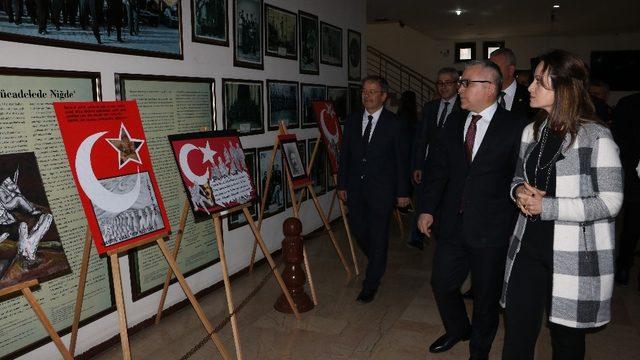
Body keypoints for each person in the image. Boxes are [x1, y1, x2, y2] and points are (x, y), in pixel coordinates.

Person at [501, 49, 623, 359]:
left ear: (564, 89)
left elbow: (610, 202)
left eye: (539, 82)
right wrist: (518, 194)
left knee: (566, 341)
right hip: (527, 246)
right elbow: (516, 178)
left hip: (572, 255)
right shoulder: (532, 130)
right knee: (517, 332)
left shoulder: (596, 137)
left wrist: (549, 206)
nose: (529, 87)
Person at [417, 60, 523, 358]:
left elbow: (520, 177)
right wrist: (427, 209)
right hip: (452, 223)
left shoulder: (515, 126)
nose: (459, 88)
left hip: (492, 229)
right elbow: (438, 169)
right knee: (441, 283)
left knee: (486, 299)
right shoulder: (453, 121)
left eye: (466, 83)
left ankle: (479, 351)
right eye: (460, 82)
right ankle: (457, 328)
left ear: (489, 88)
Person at [338, 75, 410, 304]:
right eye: (364, 91)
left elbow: (401, 160)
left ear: (384, 96)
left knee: (378, 235)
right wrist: (342, 184)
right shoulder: (352, 120)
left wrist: (402, 192)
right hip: (356, 189)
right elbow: (345, 155)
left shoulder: (395, 123)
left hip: (382, 190)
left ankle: (371, 283)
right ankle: (378, 260)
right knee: (359, 230)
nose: (366, 96)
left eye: (372, 91)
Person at [407, 67, 460, 250]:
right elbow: (421, 139)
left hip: (452, 169)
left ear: (457, 84)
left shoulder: (464, 107)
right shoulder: (430, 107)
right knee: (424, 201)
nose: (443, 87)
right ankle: (418, 236)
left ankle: (445, 238)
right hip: (429, 165)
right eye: (440, 83)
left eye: (448, 83)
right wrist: (417, 165)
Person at [611, 92, 640, 287]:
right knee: (633, 225)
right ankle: (623, 265)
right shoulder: (629, 103)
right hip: (635, 175)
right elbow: (618, 138)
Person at [489, 48, 535, 120]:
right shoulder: (486, 94)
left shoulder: (529, 96)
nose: (489, 73)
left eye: (495, 68)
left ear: (510, 70)